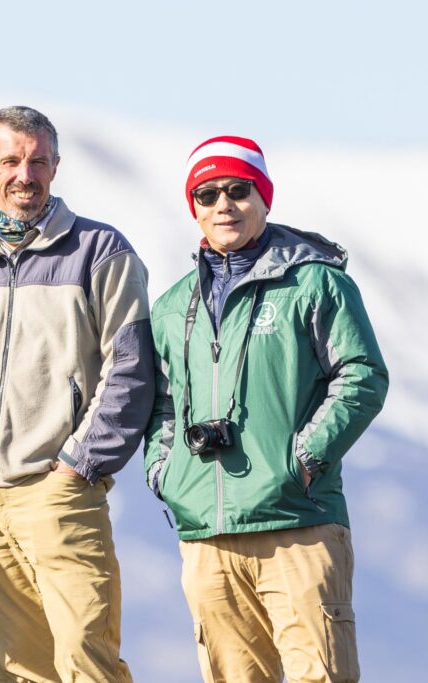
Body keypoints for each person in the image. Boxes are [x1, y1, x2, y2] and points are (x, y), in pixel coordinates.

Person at [0, 105, 153, 683]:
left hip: (58, 492)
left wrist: (80, 464)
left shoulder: (99, 250)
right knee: (15, 667)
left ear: (56, 167)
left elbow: (131, 368)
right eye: (12, 161)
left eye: (39, 161)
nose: (27, 173)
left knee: (86, 658)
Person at [144, 135, 388, 682]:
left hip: (297, 523)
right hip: (206, 534)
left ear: (264, 198)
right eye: (206, 194)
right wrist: (166, 474)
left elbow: (362, 375)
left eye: (238, 190)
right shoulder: (172, 305)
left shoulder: (317, 283)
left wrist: (303, 457)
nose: (222, 205)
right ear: (194, 209)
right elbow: (160, 401)